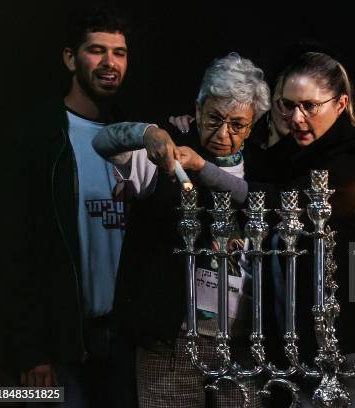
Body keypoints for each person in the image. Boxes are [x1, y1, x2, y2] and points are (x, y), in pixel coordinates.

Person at [171, 51, 355, 407]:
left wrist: (201, 166)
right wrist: (192, 128)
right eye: (287, 106)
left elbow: (275, 199)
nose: (297, 118)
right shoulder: (293, 151)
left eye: (309, 106)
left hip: (354, 342)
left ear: (341, 104)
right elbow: (250, 162)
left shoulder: (354, 157)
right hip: (297, 342)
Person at [93, 52, 271, 408]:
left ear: (252, 126)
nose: (223, 134)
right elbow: (103, 142)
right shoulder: (167, 153)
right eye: (214, 118)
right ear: (198, 107)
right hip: (169, 343)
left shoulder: (263, 170)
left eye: (237, 124)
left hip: (242, 343)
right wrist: (147, 132)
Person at [8, 5, 137, 407]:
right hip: (62, 343)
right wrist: (30, 350)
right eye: (96, 51)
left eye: (119, 52)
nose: (109, 63)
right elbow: (13, 251)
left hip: (125, 341)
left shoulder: (136, 137)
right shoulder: (37, 137)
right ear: (70, 58)